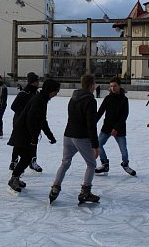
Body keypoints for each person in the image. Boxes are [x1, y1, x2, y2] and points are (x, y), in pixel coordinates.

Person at [49, 74, 100, 205]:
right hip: (81, 137)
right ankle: (85, 191)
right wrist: (95, 145)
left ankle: (55, 187)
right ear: (91, 85)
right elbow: (91, 125)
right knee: (92, 164)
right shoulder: (90, 100)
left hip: (68, 135)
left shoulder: (73, 98)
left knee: (65, 163)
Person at [7, 79, 60, 194]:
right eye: (56, 91)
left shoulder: (42, 99)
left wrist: (50, 136)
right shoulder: (38, 100)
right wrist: (33, 138)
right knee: (26, 157)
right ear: (50, 90)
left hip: (25, 133)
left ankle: (15, 177)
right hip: (22, 133)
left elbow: (42, 121)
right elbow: (31, 120)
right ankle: (14, 179)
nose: (56, 94)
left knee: (27, 157)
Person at [8, 72, 55, 172]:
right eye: (36, 81)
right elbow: (14, 106)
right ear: (32, 82)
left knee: (33, 141)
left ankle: (33, 161)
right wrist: (26, 113)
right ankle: (14, 161)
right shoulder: (24, 93)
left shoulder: (36, 94)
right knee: (19, 143)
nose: (38, 83)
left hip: (32, 122)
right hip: (20, 122)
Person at [95, 76, 136, 176]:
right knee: (98, 144)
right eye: (111, 86)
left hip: (119, 129)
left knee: (123, 150)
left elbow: (124, 116)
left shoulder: (124, 99)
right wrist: (92, 123)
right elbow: (100, 112)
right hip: (107, 127)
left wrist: (116, 128)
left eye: (115, 86)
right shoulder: (108, 98)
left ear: (119, 86)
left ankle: (125, 164)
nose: (113, 88)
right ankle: (105, 164)